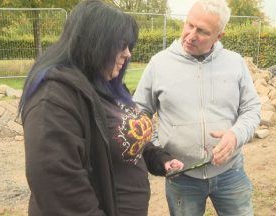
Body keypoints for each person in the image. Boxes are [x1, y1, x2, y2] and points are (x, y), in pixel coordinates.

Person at [18, 0, 183, 215]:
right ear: (95, 44)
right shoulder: (54, 98)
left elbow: (122, 140)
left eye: (129, 46)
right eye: (121, 46)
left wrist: (160, 159)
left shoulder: (106, 85)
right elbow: (59, 188)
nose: (128, 54)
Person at [133, 0, 261, 215]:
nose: (191, 35)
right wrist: (158, 151)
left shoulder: (234, 63)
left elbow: (252, 108)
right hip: (181, 177)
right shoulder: (159, 64)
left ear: (219, 36)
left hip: (231, 172)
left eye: (202, 31)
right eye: (189, 25)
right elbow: (139, 113)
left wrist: (235, 136)